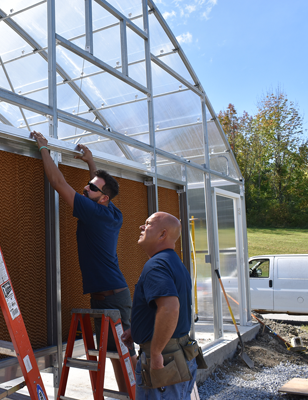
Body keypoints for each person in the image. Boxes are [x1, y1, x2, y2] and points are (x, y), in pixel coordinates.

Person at [31, 131, 137, 392]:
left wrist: (43, 149)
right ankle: (131, 395)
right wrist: (90, 162)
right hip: (110, 295)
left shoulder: (93, 212)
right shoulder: (113, 212)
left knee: (124, 357)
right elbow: (101, 185)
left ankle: (136, 396)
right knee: (118, 355)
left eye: (91, 187)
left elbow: (57, 182)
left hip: (111, 298)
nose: (85, 187)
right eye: (88, 183)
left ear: (103, 198)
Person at [122, 212, 197, 399]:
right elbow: (160, 308)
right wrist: (138, 329)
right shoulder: (175, 263)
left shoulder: (156, 266)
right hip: (178, 352)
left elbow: (170, 309)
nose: (141, 227)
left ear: (162, 234)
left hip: (165, 357)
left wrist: (155, 353)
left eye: (148, 223)